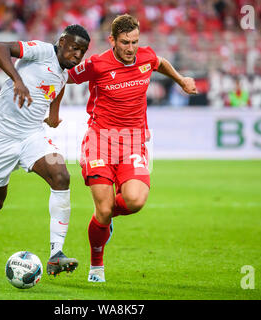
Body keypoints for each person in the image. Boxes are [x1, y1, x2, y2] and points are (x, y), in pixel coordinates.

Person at [65, 14, 197, 282]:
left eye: (135, 41)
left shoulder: (145, 57)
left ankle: (104, 220)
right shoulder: (97, 64)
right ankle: (96, 266)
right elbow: (62, 78)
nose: (131, 48)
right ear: (112, 40)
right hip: (100, 141)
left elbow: (159, 63)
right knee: (103, 209)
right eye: (125, 42)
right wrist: (51, 110)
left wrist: (181, 80)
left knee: (135, 201)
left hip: (134, 142)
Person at [0, 24, 90, 277]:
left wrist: (54, 117)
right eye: (75, 48)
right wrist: (18, 80)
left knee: (62, 176)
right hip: (0, 136)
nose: (78, 56)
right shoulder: (41, 50)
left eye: (83, 52)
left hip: (32, 135)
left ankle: (56, 254)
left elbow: (57, 88)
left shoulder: (63, 75)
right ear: (62, 42)